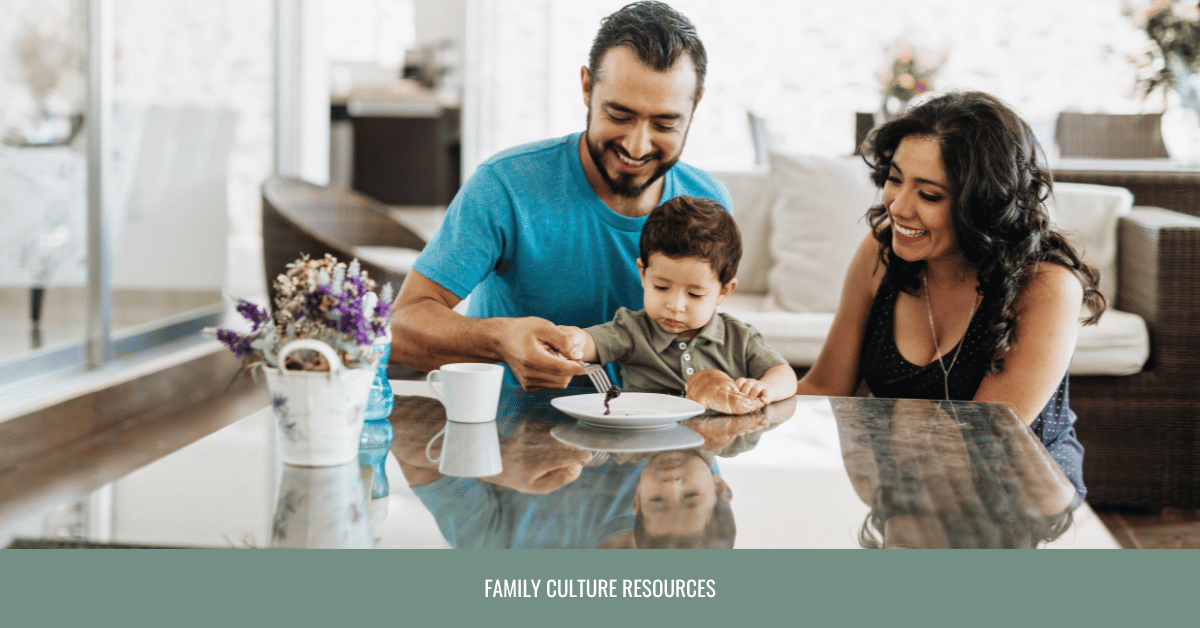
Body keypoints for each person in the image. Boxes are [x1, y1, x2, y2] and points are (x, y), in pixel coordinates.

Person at [389, 1, 732, 391]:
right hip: (516, 437)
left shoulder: (710, 202)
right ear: (587, 87)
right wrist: (500, 341)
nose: (637, 147)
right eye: (619, 116)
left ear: (696, 105)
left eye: (665, 123)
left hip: (669, 442)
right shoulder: (507, 184)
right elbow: (401, 329)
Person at [796, 91, 1106, 498]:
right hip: (907, 489)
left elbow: (981, 442)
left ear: (984, 204)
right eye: (894, 179)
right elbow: (824, 388)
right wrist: (745, 395)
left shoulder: (1045, 285)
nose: (898, 207)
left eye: (929, 195)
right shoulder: (881, 250)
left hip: (1022, 498)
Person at [557, 195, 796, 405]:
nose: (675, 305)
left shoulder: (739, 338)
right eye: (661, 287)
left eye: (694, 294)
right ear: (643, 273)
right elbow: (590, 343)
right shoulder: (631, 329)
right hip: (646, 444)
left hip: (712, 444)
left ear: (724, 291)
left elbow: (784, 373)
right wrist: (572, 339)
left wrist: (768, 388)